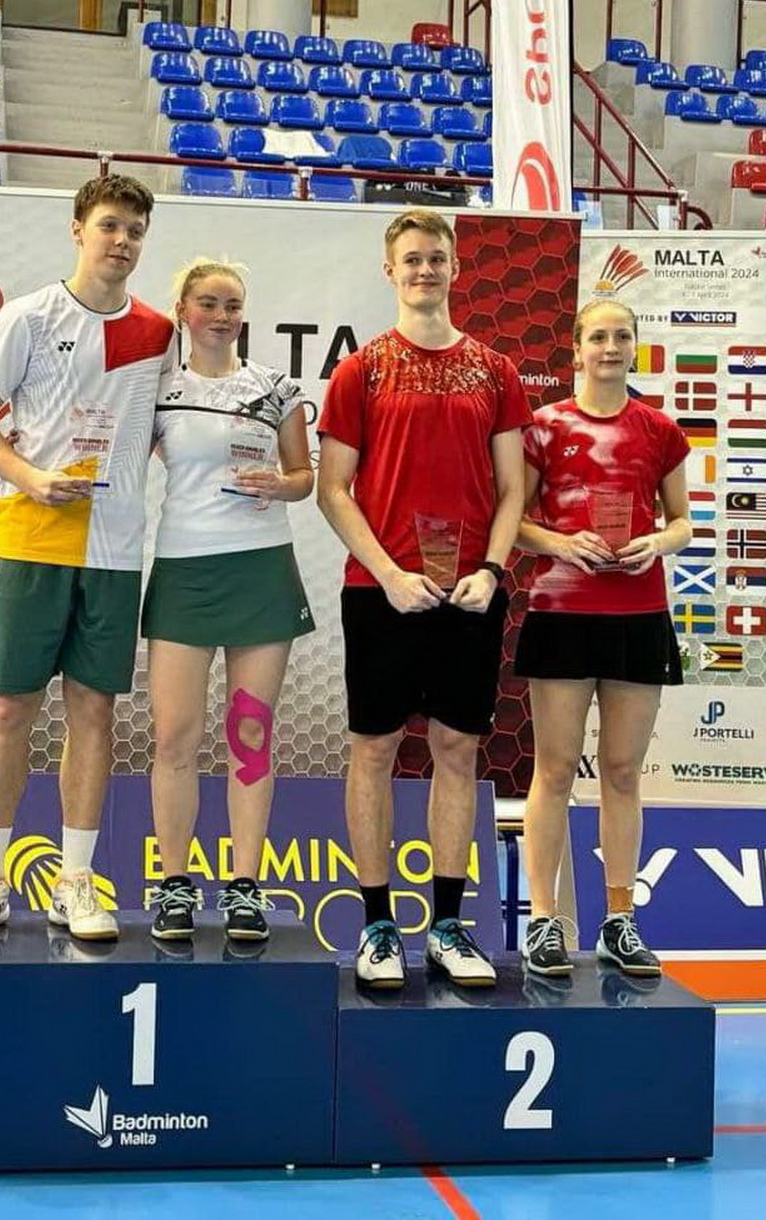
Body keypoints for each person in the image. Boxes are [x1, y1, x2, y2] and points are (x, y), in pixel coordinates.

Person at [0, 174, 176, 943]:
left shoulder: (159, 331)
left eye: (134, 230)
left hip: (113, 549)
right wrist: (30, 476)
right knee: (10, 709)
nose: (122, 241)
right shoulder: (29, 316)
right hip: (29, 537)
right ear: (78, 229)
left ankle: (74, 879)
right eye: (109, 225)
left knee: (94, 711)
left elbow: (164, 432)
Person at [317, 209, 530, 989]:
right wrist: (387, 573)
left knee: (456, 750)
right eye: (411, 258)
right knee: (372, 750)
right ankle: (377, 925)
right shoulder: (360, 370)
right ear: (389, 270)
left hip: (468, 594)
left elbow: (512, 489)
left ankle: (445, 925)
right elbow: (332, 490)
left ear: (454, 267)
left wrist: (492, 569)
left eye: (436, 257)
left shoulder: (495, 370)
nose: (424, 269)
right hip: (381, 591)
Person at [515, 297, 691, 980]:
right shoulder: (543, 426)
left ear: (634, 346)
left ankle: (619, 920)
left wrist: (656, 543)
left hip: (638, 615)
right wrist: (562, 543)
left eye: (621, 336)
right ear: (577, 348)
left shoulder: (660, 429)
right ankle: (543, 921)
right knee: (554, 770)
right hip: (561, 612)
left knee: (621, 771)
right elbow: (514, 520)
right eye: (598, 336)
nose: (610, 347)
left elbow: (681, 521)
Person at [144, 259, 315, 942]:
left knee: (250, 733)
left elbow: (303, 476)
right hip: (184, 571)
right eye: (208, 303)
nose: (221, 315)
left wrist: (281, 485)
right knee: (174, 736)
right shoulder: (158, 389)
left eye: (232, 305)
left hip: (260, 571)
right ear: (183, 311)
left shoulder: (274, 387)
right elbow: (129, 460)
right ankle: (174, 883)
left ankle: (245, 885)